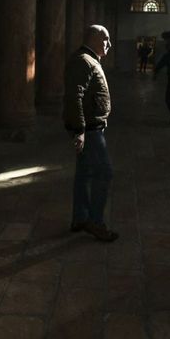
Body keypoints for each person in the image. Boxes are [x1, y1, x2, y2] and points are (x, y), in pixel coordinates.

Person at [63, 25, 119, 242]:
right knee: (104, 173)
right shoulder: (83, 61)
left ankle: (80, 218)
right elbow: (73, 97)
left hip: (91, 127)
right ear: (94, 39)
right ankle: (95, 222)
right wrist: (79, 130)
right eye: (105, 39)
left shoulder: (89, 59)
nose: (109, 44)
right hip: (89, 129)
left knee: (84, 173)